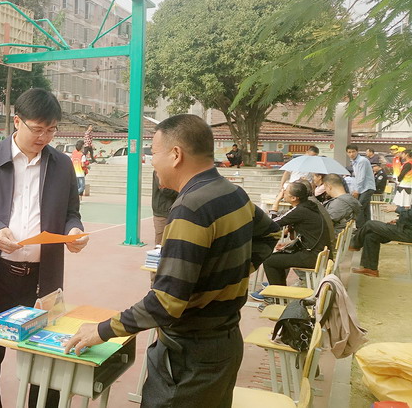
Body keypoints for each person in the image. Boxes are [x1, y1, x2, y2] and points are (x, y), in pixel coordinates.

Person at [64, 114, 278, 408]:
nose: (151, 161)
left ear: (176, 155)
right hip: (225, 344)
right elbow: (270, 234)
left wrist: (101, 330)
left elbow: (166, 302)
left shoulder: (190, 208)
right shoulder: (233, 193)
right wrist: (227, 276)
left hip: (189, 359)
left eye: (154, 152)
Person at [0, 88, 88, 408]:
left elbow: (71, 212)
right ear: (17, 121)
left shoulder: (61, 165)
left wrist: (73, 230)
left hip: (42, 280)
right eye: (37, 129)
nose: (44, 137)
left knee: (46, 361)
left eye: (51, 130)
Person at [253, 182, 331, 294]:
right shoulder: (309, 206)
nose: (283, 192)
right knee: (280, 255)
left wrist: (276, 202)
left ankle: (277, 296)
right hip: (319, 253)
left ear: (294, 198)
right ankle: (279, 289)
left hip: (312, 256)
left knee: (269, 261)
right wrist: (289, 244)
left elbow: (271, 224)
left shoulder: (300, 210)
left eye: (285, 191)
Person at [350, 203, 412, 277]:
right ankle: (370, 269)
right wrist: (398, 220)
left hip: (408, 233)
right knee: (371, 236)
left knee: (370, 224)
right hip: (405, 229)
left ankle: (354, 245)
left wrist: (397, 209)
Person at [273, 145, 319, 210]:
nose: (313, 158)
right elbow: (286, 173)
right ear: (307, 152)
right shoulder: (296, 161)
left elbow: (314, 179)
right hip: (293, 187)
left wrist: (313, 190)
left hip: (306, 188)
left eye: (315, 156)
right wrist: (281, 185)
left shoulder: (314, 165)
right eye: (312, 155)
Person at [347, 144, 376, 228]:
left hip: (367, 187)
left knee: (359, 208)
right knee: (365, 209)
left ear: (357, 151)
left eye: (353, 152)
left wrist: (357, 190)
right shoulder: (354, 161)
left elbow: (361, 177)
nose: (351, 154)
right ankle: (368, 228)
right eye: (349, 152)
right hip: (363, 188)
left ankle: (360, 229)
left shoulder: (362, 161)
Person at [151, 170, 178, 247]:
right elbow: (165, 190)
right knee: (160, 243)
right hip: (162, 212)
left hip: (175, 210)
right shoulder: (159, 170)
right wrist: (181, 190)